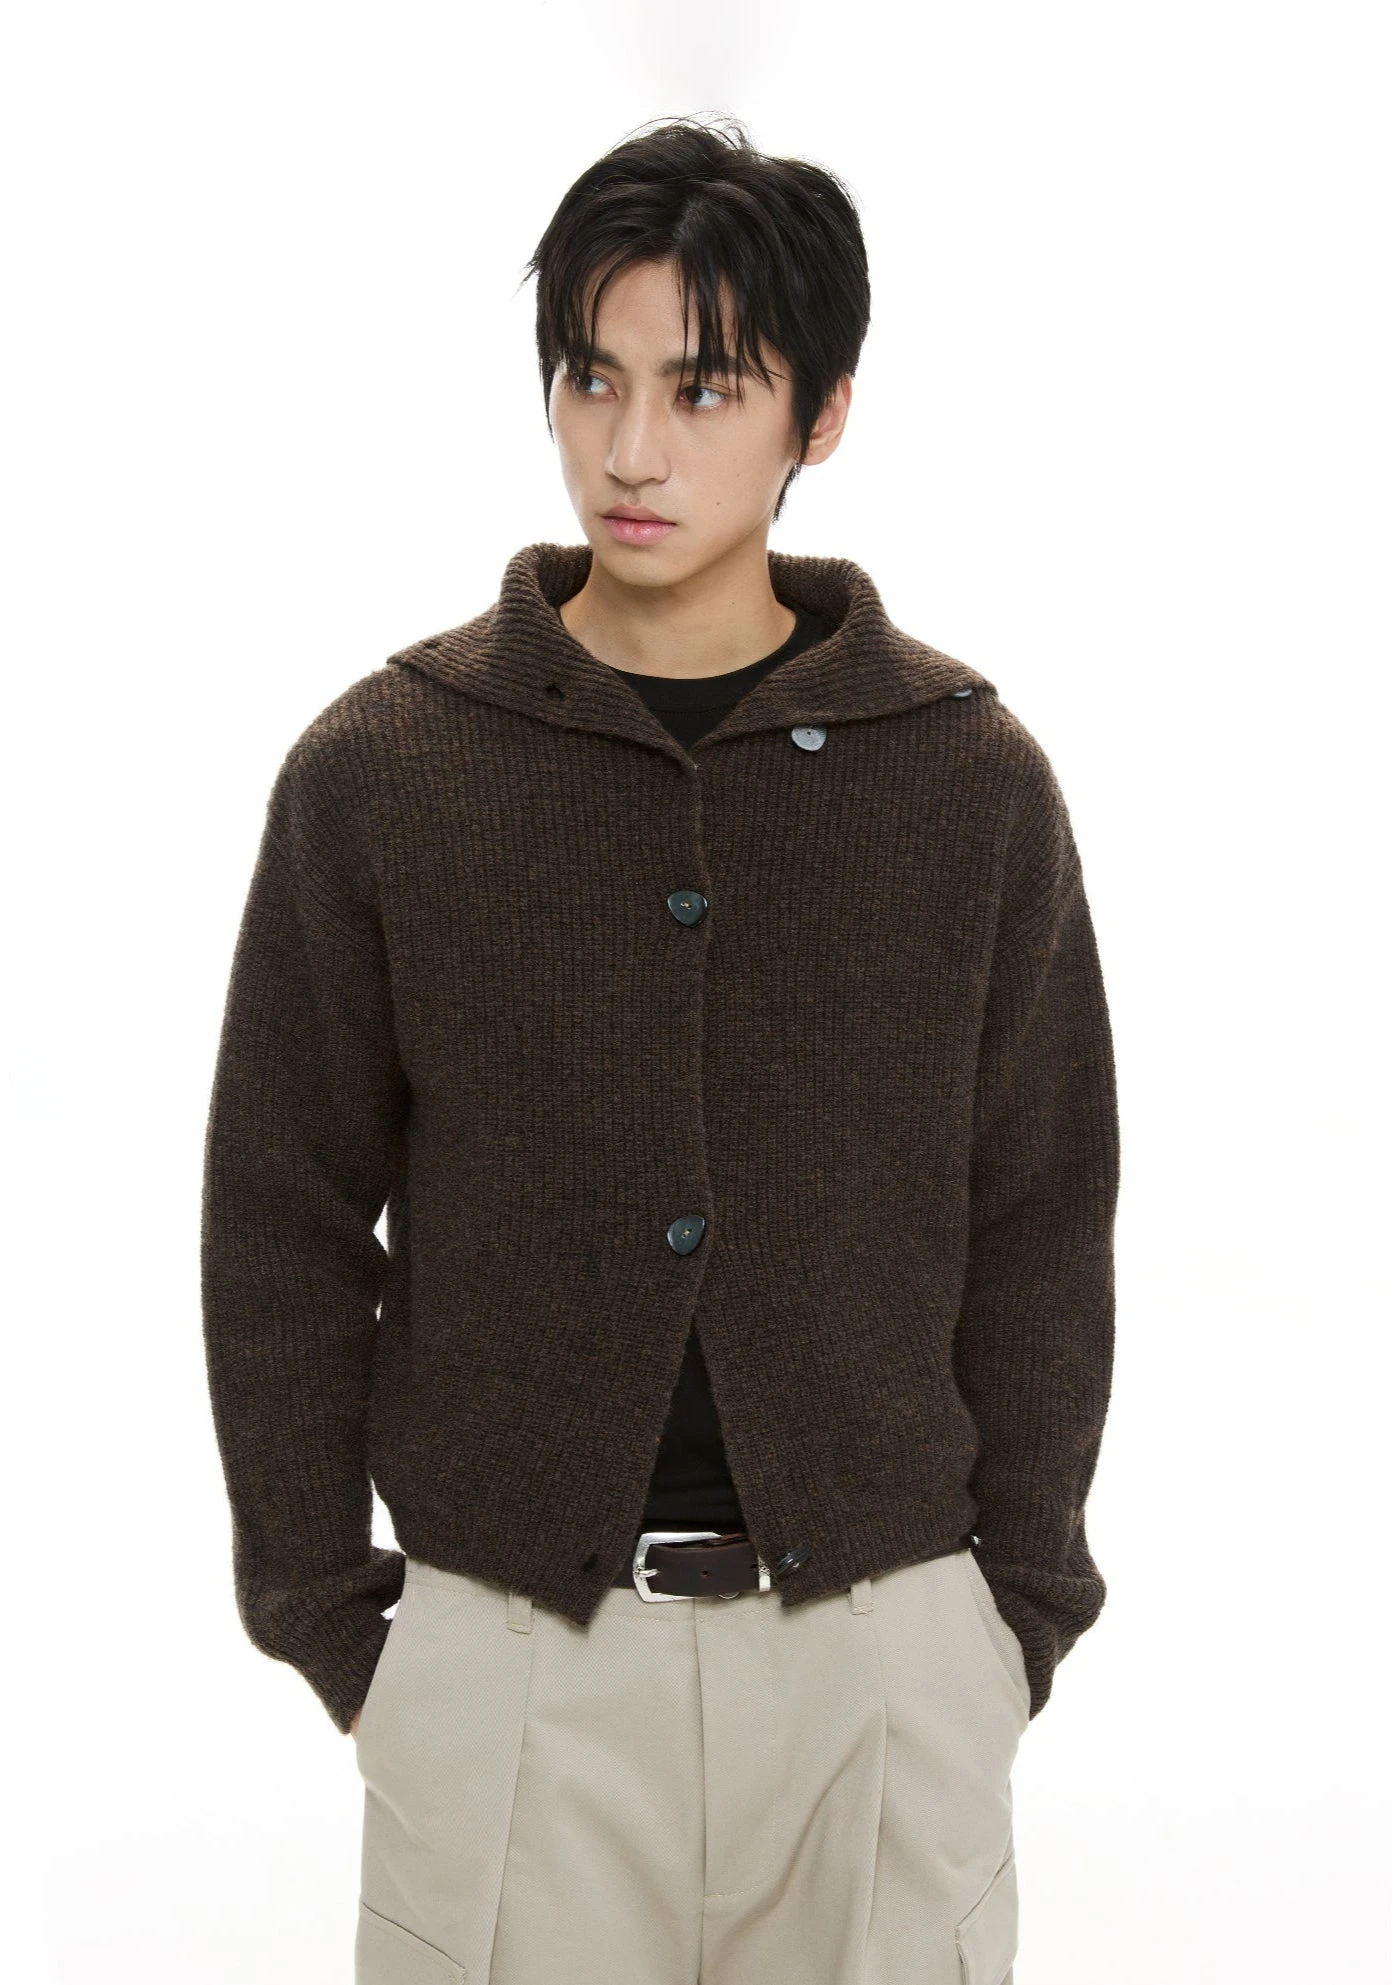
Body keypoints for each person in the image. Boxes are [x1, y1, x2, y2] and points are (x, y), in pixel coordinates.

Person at [201, 113, 1120, 1985]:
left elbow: (1041, 1213)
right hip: (508, 1675)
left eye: (704, 389)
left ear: (821, 415)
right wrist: (340, 1625)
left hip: (881, 1675)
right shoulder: (386, 772)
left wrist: (1008, 1617)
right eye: (591, 377)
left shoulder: (967, 783)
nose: (632, 449)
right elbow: (280, 1218)